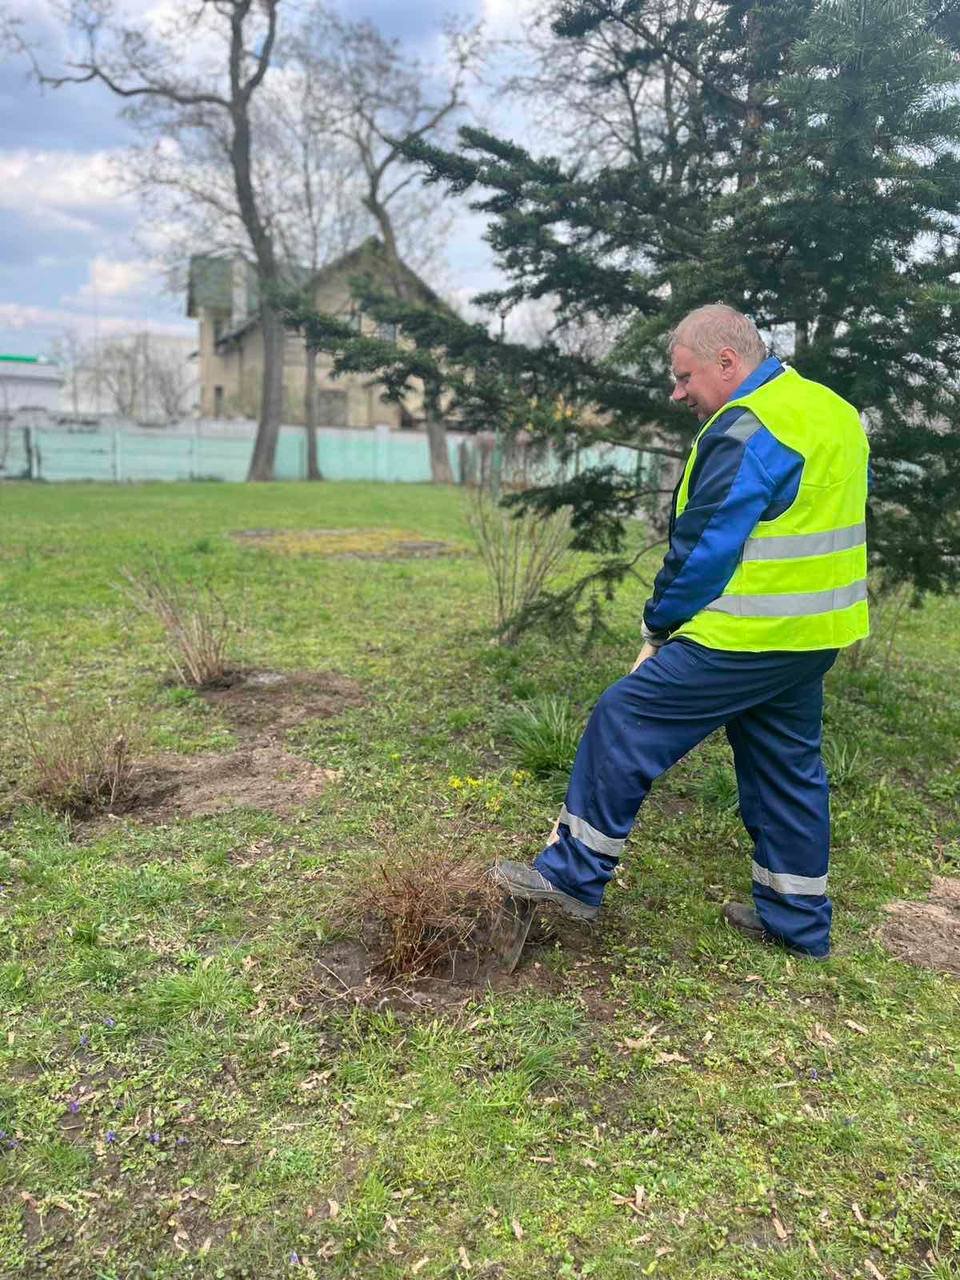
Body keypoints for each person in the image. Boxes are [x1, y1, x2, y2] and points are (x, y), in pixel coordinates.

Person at [491, 304, 869, 959]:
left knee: (624, 719)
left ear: (728, 362)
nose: (678, 391)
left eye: (685, 375)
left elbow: (703, 549)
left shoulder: (748, 427)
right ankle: (798, 921)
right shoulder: (832, 410)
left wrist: (659, 622)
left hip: (745, 638)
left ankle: (572, 875)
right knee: (785, 769)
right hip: (815, 638)